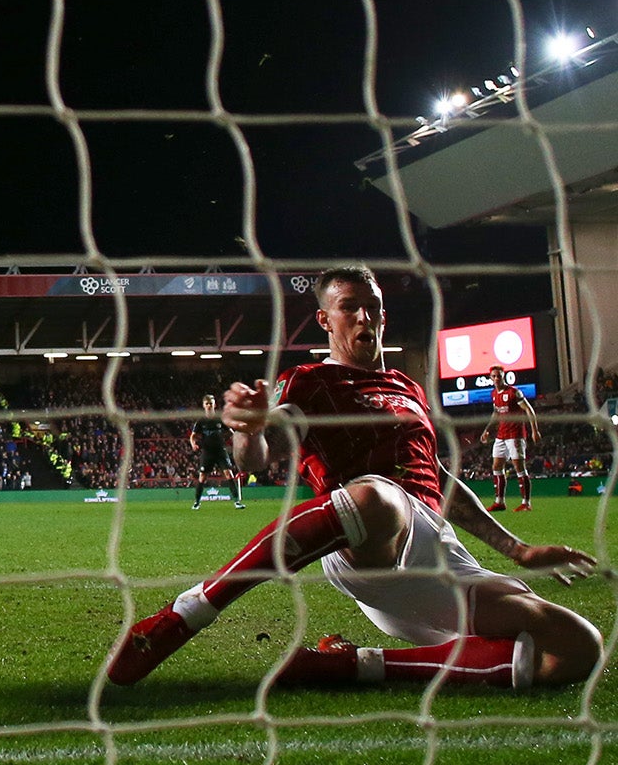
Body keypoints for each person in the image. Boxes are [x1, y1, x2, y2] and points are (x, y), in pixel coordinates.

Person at [108, 266, 602, 691]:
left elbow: (440, 476)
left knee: (578, 647)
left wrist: (518, 550)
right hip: (368, 540)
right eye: (350, 308)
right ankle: (184, 615)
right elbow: (257, 459)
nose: (366, 317)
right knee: (379, 499)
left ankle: (354, 665)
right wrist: (248, 429)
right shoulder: (310, 382)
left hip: (435, 550)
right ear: (325, 319)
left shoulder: (407, 387)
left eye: (374, 307)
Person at [479, 367, 538, 513]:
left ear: (503, 376)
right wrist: (487, 430)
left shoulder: (513, 392)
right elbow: (496, 413)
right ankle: (499, 502)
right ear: (491, 378)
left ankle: (526, 503)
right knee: (496, 466)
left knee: (519, 467)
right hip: (501, 435)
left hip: (515, 434)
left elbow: (528, 409)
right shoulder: (494, 394)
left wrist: (534, 430)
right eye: (494, 376)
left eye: (499, 376)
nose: (497, 378)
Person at [189, 393, 244, 509]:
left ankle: (237, 502)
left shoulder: (220, 419)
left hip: (220, 451)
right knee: (202, 477)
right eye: (207, 403)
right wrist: (193, 443)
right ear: (204, 406)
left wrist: (233, 439)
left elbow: (230, 431)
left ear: (214, 405)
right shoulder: (201, 421)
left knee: (229, 474)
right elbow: (193, 436)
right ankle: (197, 502)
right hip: (207, 452)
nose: (209, 405)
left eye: (211, 403)